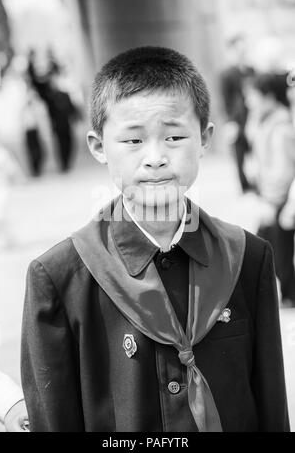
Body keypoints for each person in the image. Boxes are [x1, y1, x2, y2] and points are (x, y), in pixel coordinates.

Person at [21, 47, 289, 432]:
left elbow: (271, 406)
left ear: (205, 138)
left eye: (175, 136)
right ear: (98, 146)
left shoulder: (247, 258)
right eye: (132, 141)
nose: (156, 157)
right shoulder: (61, 278)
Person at [244, 73, 295, 308]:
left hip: (280, 198)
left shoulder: (281, 126)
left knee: (268, 251)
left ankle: (287, 295)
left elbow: (284, 167)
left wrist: (272, 201)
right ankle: (286, 295)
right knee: (271, 250)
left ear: (268, 97)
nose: (248, 101)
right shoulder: (266, 121)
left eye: (252, 96)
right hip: (272, 197)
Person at [220, 35, 254, 193]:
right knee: (239, 155)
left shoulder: (251, 70)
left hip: (251, 116)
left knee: (255, 149)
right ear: (232, 50)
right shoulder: (226, 73)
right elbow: (224, 99)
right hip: (236, 119)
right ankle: (244, 186)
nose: (243, 52)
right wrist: (229, 122)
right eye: (239, 49)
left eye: (244, 48)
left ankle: (257, 182)